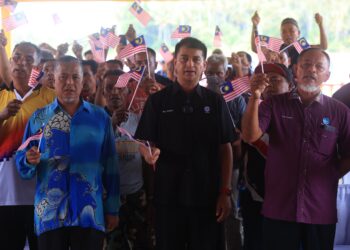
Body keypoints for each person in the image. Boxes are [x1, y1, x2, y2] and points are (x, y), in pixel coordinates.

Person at [241, 48, 350, 250]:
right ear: (296, 70)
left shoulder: (340, 112)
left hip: (320, 208)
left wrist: (331, 174)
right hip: (279, 207)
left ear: (327, 75)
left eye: (319, 66)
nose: (312, 70)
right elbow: (250, 136)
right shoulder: (273, 104)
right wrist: (255, 97)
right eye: (306, 64)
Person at [135, 37, 238, 250]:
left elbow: (225, 148)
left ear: (204, 65)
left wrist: (225, 192)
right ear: (175, 64)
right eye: (184, 59)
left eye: (195, 59)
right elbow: (144, 142)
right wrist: (147, 152)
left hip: (207, 198)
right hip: (168, 197)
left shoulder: (215, 101)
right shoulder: (158, 101)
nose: (190, 64)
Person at [15, 56, 120, 250]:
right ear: (53, 80)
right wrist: (28, 160)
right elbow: (22, 165)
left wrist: (113, 209)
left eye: (75, 77)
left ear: (83, 82)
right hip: (50, 214)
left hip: (90, 212)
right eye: (63, 77)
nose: (69, 83)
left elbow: (111, 167)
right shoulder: (38, 118)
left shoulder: (100, 118)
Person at [0, 34, 56, 250]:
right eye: (16, 57)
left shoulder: (52, 98)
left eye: (28, 59)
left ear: (38, 66)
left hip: (42, 192)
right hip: (5, 193)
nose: (21, 63)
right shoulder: (2, 98)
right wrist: (3, 116)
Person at [240, 63, 294, 250]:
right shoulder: (251, 110)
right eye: (263, 81)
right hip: (256, 197)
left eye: (275, 80)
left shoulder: (300, 112)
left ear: (290, 84)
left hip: (289, 200)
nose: (268, 85)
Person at [205, 53, 246, 249]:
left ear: (226, 72)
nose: (214, 77)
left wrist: (237, 137)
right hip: (206, 165)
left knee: (232, 212)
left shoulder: (236, 98)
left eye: (218, 73)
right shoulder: (199, 96)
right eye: (210, 73)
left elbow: (246, 130)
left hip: (233, 166)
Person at [251, 11, 328, 67]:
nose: (288, 34)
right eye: (284, 32)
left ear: (298, 33)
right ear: (281, 35)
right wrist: (254, 26)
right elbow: (255, 48)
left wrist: (320, 24)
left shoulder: (302, 46)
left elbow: (323, 47)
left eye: (292, 31)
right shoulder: (277, 47)